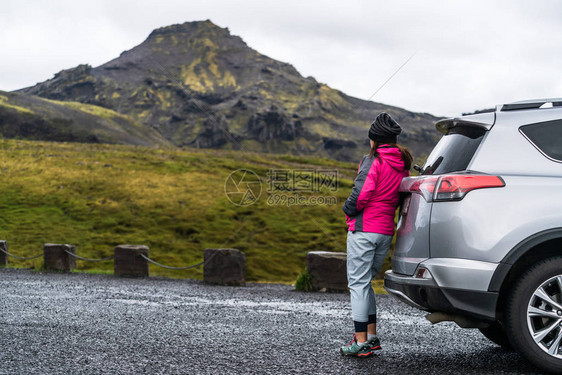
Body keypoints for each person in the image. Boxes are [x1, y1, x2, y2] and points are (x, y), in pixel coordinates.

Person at [340, 112, 412, 357]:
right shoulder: (402, 164)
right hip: (384, 231)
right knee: (365, 283)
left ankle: (360, 343)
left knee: (357, 284)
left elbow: (361, 193)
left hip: (364, 230)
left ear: (375, 139)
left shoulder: (373, 160)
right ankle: (371, 337)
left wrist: (347, 210)